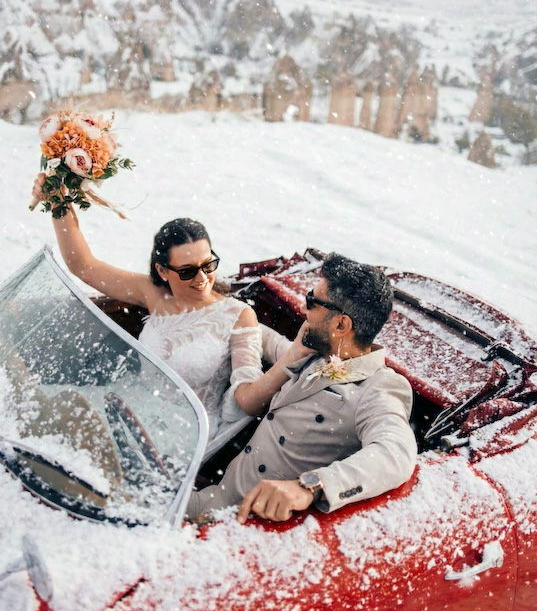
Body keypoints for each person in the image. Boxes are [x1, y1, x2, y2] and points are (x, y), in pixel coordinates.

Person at [30, 174, 279, 439]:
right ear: (162, 270)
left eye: (208, 264)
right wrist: (58, 201)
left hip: (183, 439)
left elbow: (248, 400)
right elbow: (83, 265)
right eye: (187, 271)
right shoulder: (153, 293)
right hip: (129, 410)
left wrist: (293, 357)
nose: (202, 278)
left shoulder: (237, 315)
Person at [187, 252, 417, 523]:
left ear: (341, 324)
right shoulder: (319, 351)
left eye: (312, 302)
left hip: (239, 520)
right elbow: (269, 341)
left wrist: (309, 486)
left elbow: (395, 454)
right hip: (213, 492)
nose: (305, 311)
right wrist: (222, 309)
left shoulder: (379, 388)